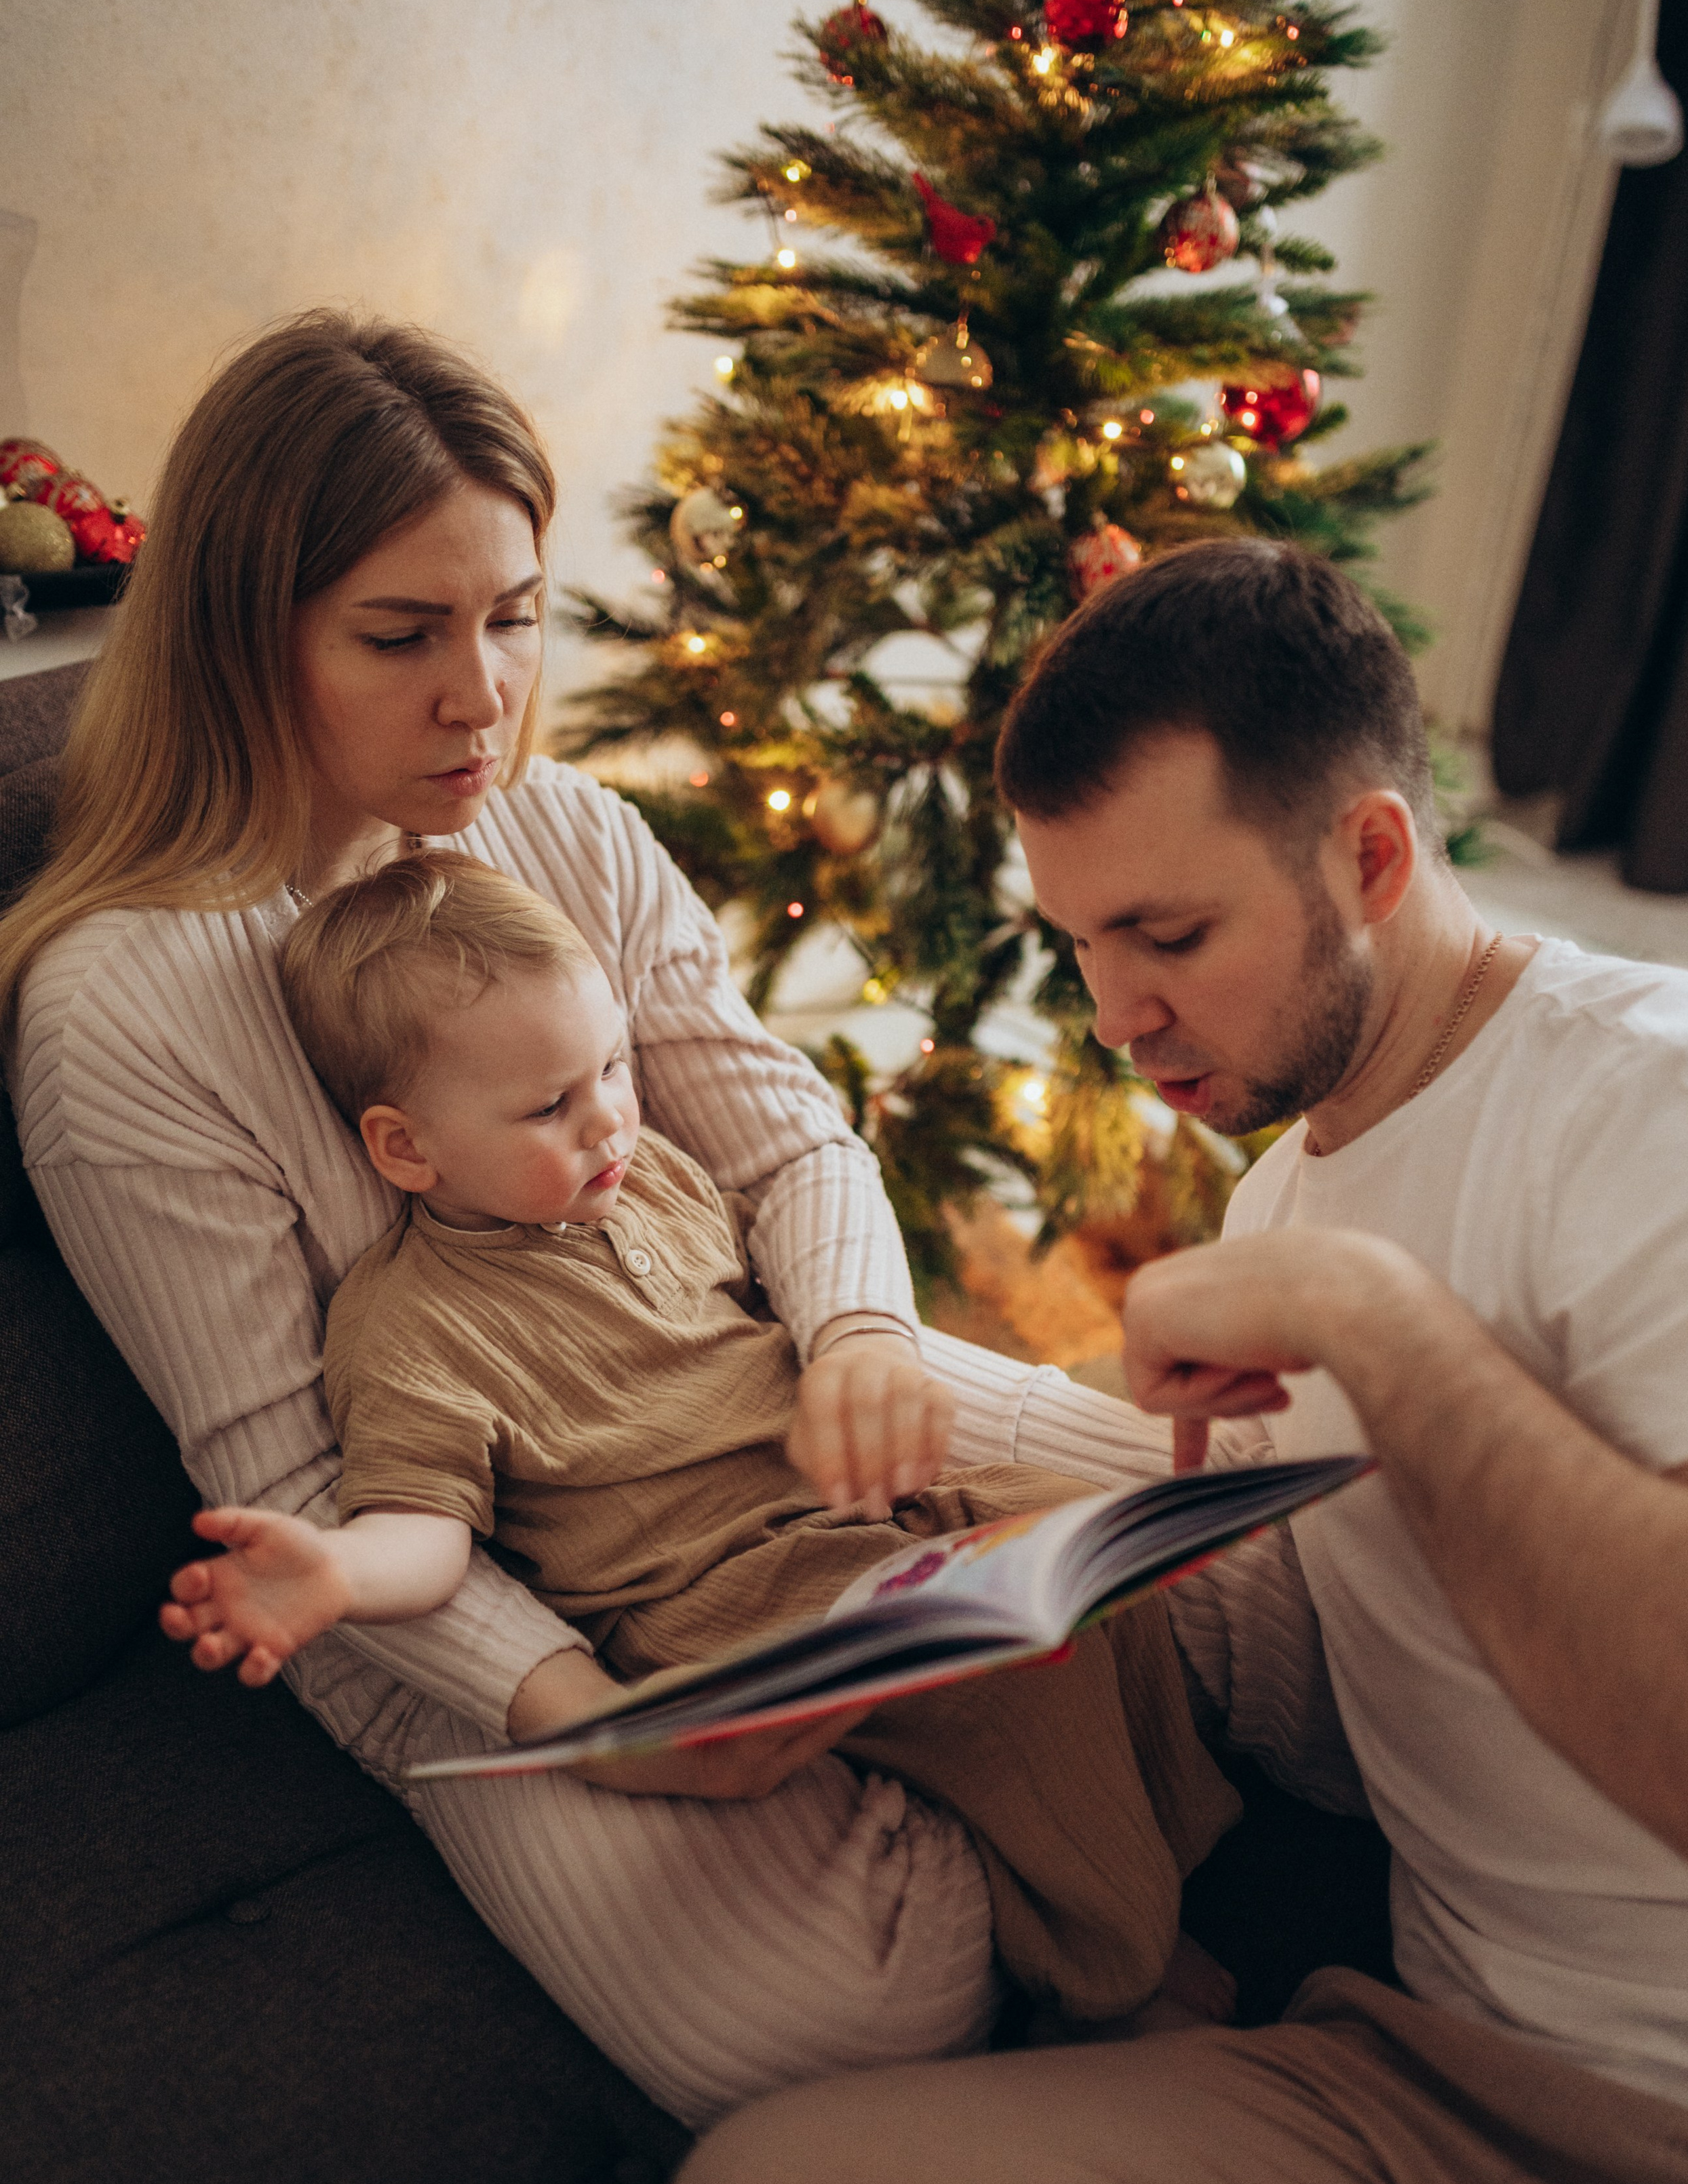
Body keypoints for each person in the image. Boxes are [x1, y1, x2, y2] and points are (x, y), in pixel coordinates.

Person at [0, 310, 1238, 2132]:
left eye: (512, 616)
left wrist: (865, 1341)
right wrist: (593, 1720)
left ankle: (1039, 1816)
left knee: (1243, 1564)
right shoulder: (120, 1015)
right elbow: (308, 1504)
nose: (480, 697)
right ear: (240, 639)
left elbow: (785, 1137)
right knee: (840, 2011)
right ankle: (1053, 1854)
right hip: (489, 1587)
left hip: (750, 1409)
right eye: (401, 636)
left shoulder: (562, 833)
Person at [652, 540, 1688, 2184]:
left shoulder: (1672, 1112)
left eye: (1167, 932)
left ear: (1374, 859)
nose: (1118, 1017)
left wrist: (1383, 1334)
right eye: (1076, 944)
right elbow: (1358, 1731)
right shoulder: (1277, 1215)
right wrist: (939, 1644)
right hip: (1422, 2090)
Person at [158, 847, 1236, 2027]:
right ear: (406, 1149)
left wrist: (859, 1365)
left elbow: (772, 1260)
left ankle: (1183, 1863)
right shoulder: (408, 1326)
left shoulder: (650, 1176)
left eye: (611, 1068)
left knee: (1089, 1531)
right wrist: (338, 1574)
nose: (609, 1118)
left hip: (840, 1519)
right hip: (710, 1598)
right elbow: (424, 1531)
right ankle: (1112, 1977)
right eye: (547, 1107)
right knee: (1019, 1675)